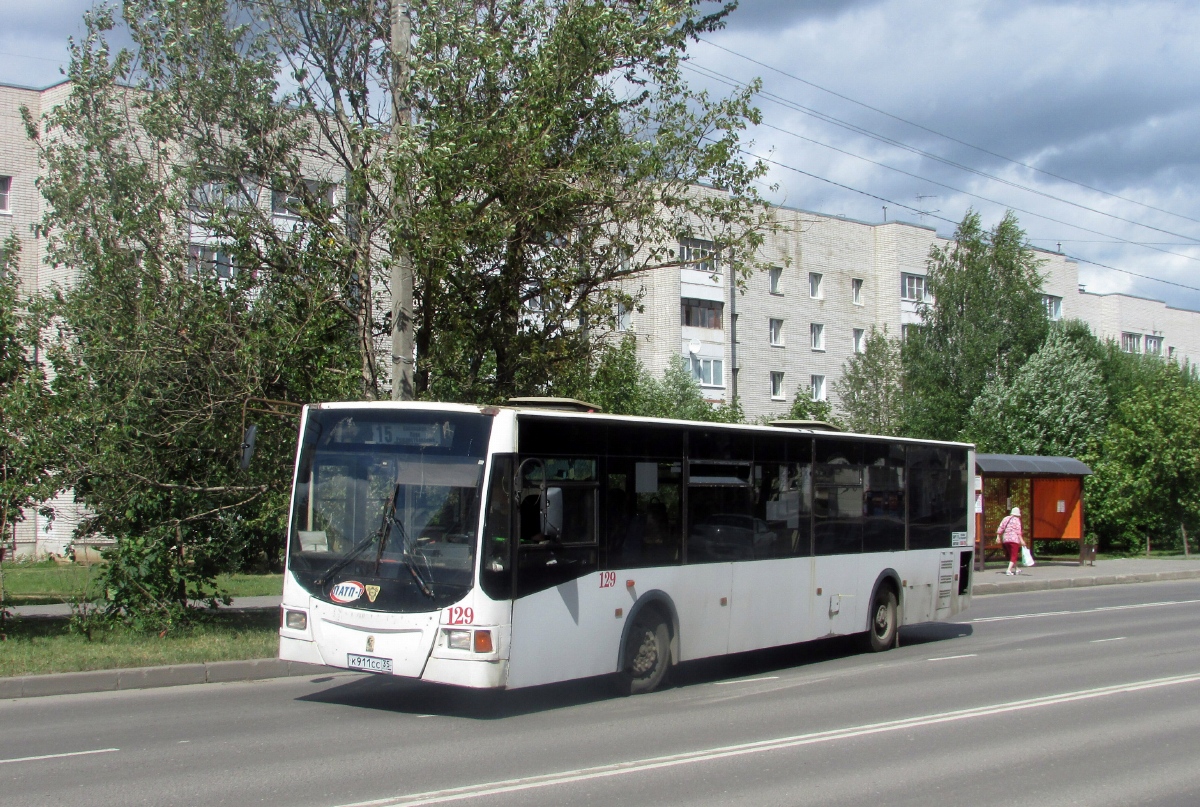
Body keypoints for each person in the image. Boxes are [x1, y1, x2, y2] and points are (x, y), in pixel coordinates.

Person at [997, 506, 1026, 576]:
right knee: (1014, 555)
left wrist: (998, 537)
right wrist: (1022, 540)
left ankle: (1017, 569)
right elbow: (1018, 531)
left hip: (1005, 539)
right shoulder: (1017, 520)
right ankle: (1009, 570)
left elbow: (1001, 527)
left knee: (1012, 555)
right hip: (1014, 539)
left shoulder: (1005, 518)